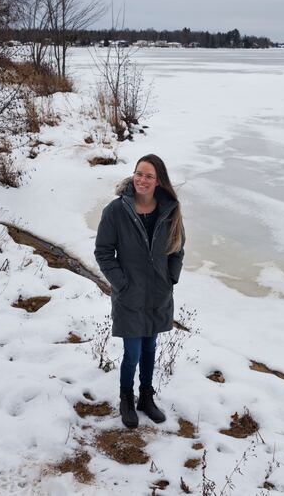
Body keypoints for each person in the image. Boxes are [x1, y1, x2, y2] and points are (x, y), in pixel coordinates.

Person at [94, 154, 185, 428]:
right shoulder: (116, 211)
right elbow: (103, 252)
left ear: (159, 182)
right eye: (139, 174)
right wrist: (122, 284)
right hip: (130, 295)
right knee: (132, 351)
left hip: (158, 294)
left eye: (149, 176)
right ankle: (126, 398)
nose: (142, 180)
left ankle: (146, 397)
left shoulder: (169, 210)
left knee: (149, 348)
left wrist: (170, 278)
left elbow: (177, 248)